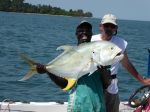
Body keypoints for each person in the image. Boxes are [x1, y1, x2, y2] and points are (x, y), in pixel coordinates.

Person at [36, 20, 109, 112]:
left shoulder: (98, 52)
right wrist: (48, 70)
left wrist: (103, 71)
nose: (84, 32)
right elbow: (65, 84)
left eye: (87, 30)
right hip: (77, 106)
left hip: (98, 106)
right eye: (81, 30)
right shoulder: (70, 55)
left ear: (91, 34)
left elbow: (106, 84)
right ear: (76, 34)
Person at [92, 14, 150, 112]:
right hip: (94, 84)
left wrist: (142, 81)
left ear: (116, 28)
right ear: (100, 26)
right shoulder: (91, 40)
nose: (109, 28)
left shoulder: (121, 43)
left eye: (112, 26)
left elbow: (126, 64)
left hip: (111, 87)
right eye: (106, 25)